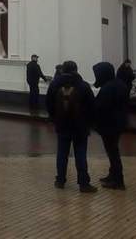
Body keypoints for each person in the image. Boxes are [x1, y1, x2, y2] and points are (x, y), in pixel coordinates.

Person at [45, 60, 96, 193]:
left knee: (62, 153)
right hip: (80, 126)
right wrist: (88, 121)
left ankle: (60, 180)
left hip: (62, 124)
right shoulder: (83, 85)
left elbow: (48, 103)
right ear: (76, 69)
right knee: (80, 154)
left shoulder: (55, 84)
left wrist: (55, 118)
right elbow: (91, 105)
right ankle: (84, 183)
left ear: (63, 70)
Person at [93, 62, 129, 190]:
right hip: (117, 123)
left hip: (109, 125)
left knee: (113, 152)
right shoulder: (119, 84)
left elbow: (101, 106)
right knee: (113, 151)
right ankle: (113, 175)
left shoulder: (108, 88)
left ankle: (118, 180)